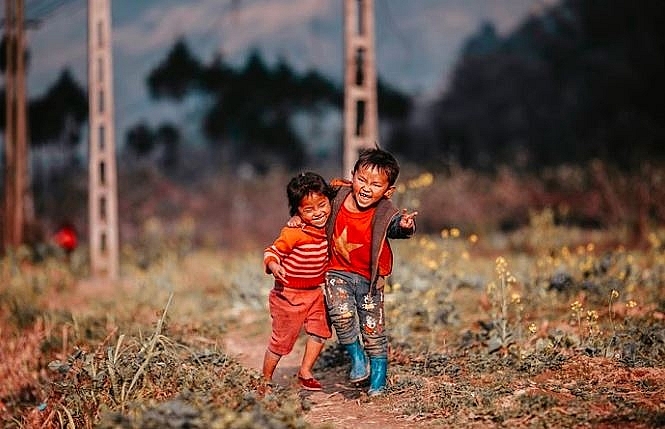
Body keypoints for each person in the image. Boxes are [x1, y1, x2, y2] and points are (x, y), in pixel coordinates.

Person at [290, 147, 417, 397]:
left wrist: (405, 225)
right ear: (352, 175)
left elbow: (395, 227)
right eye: (361, 179)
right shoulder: (337, 195)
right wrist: (297, 217)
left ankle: (378, 382)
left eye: (376, 184)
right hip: (337, 271)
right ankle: (357, 358)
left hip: (370, 281)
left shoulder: (385, 211)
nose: (366, 188)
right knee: (341, 314)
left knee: (373, 330)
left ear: (388, 191)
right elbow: (313, 204)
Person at [262, 172, 337, 391]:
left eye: (322, 205)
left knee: (320, 331)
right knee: (282, 342)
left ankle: (305, 371)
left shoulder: (330, 226)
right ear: (298, 211)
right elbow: (272, 251)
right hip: (288, 295)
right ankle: (265, 380)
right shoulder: (294, 232)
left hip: (315, 293)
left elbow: (341, 187)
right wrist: (274, 266)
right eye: (308, 209)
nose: (318, 213)